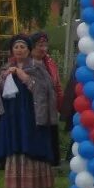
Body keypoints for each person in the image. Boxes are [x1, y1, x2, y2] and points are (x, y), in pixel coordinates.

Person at [0, 34, 58, 188]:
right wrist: (2, 79)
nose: (19, 50)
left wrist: (24, 76)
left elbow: (45, 89)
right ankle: (17, 186)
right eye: (16, 47)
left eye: (22, 47)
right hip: (13, 115)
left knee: (32, 145)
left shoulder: (37, 67)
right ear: (12, 50)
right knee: (15, 146)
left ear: (28, 50)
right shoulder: (6, 68)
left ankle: (35, 186)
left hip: (32, 114)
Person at [29, 31, 62, 168]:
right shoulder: (25, 64)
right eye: (39, 45)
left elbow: (57, 85)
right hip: (32, 110)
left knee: (48, 145)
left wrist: (60, 105)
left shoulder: (49, 63)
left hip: (49, 109)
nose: (43, 49)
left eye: (45, 45)